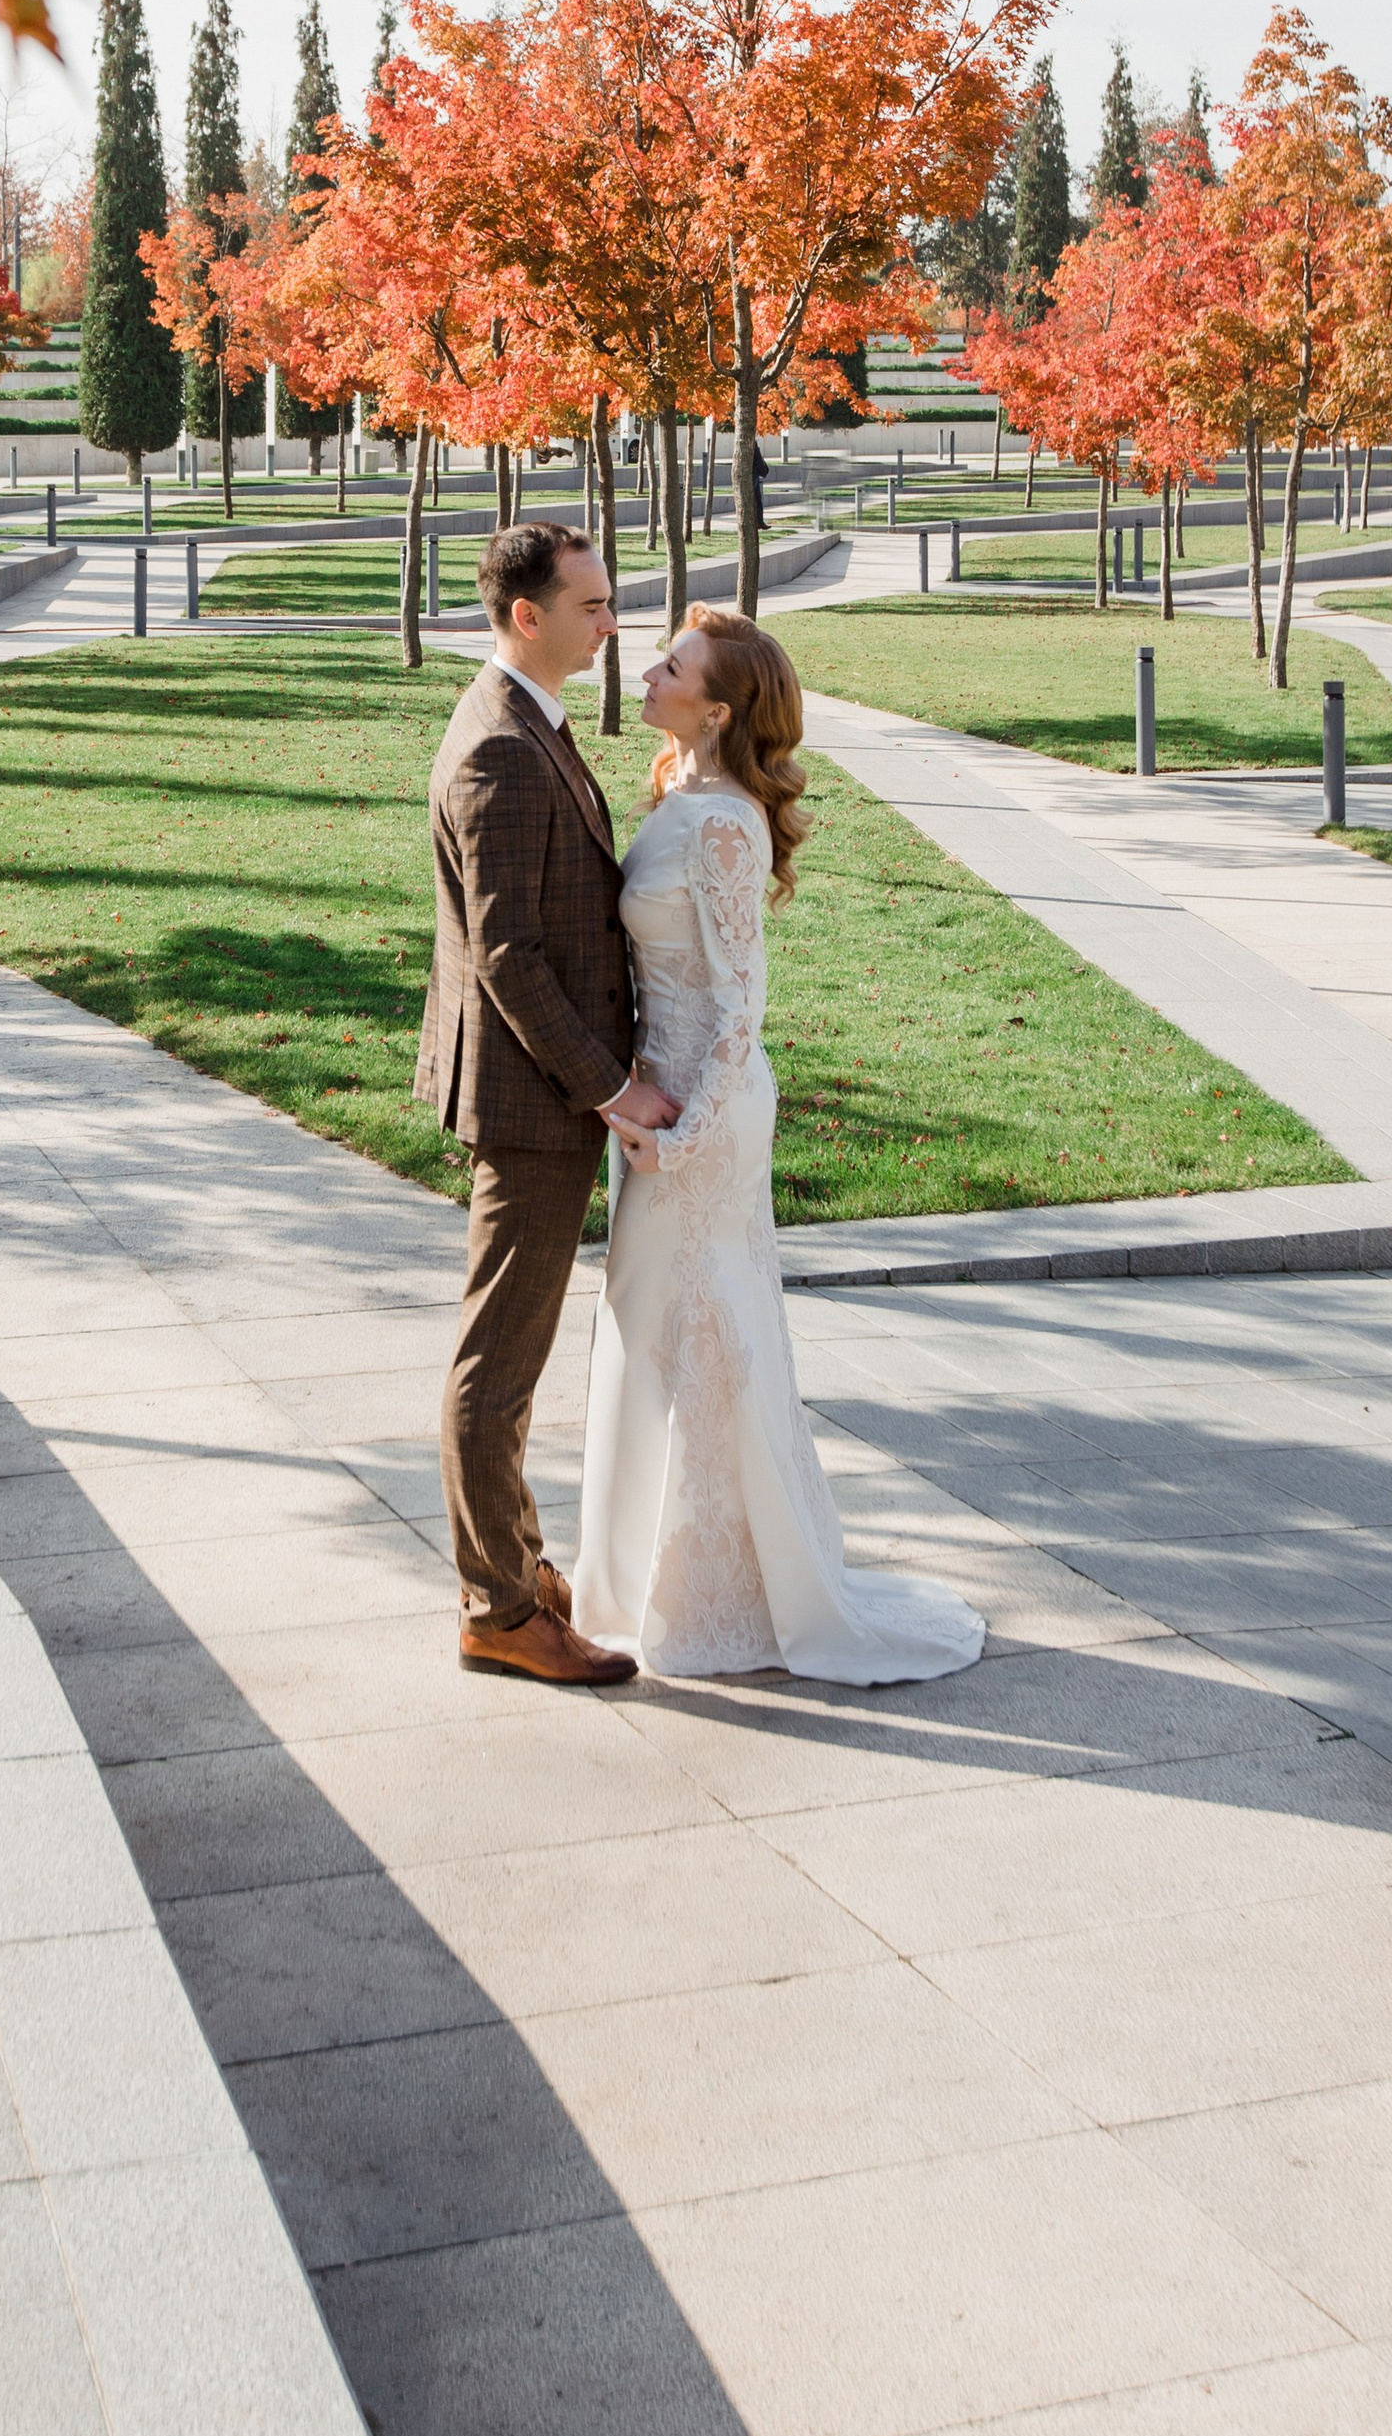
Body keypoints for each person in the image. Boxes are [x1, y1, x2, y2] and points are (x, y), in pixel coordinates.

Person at [572, 604, 986, 1686]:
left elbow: (740, 999)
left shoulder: (719, 826)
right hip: (659, 1102)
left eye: (672, 665)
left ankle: (723, 1589)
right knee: (653, 1324)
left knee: (703, 1334)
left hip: (701, 1111)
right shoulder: (679, 793)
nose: (648, 669)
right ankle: (645, 1577)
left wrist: (691, 1128)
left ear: (714, 710)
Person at [416, 521, 679, 1685]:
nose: (610, 620)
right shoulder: (498, 752)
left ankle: (517, 1567)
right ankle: (498, 1607)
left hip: (537, 1092)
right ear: (528, 615)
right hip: (529, 1102)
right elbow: (510, 956)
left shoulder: (533, 723)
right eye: (592, 604)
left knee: (508, 1354)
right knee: (499, 1364)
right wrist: (614, 1087)